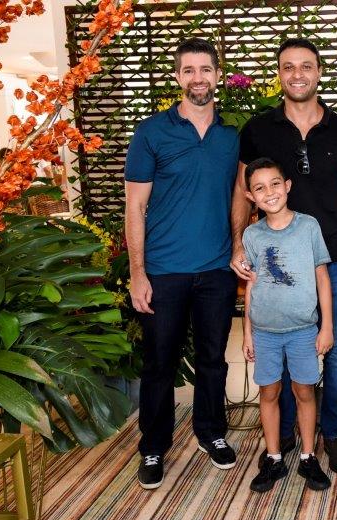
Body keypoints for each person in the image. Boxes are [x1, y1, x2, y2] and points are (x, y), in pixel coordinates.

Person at [231, 38, 337, 474]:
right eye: (288, 66)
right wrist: (238, 244)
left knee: (334, 349)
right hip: (275, 258)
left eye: (306, 66)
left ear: (319, 72)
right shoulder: (258, 130)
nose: (297, 74)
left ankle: (333, 435)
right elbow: (241, 192)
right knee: (284, 349)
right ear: (279, 74)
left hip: (333, 259)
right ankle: (285, 434)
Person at [124, 37, 240, 490]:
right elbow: (135, 207)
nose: (198, 78)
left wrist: (237, 247)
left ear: (218, 75)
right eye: (188, 70)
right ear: (177, 77)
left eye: (205, 69)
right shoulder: (151, 132)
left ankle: (211, 432)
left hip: (216, 270)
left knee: (213, 360)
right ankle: (153, 446)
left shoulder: (231, 136)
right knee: (159, 364)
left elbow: (240, 195)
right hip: (163, 271)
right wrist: (137, 273)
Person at [241, 157, 333, 493]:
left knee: (304, 391)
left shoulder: (308, 227)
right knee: (269, 392)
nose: (269, 192)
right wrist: (247, 332)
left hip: (303, 330)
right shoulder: (252, 235)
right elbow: (251, 285)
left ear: (288, 185)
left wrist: (327, 326)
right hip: (264, 332)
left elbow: (322, 278)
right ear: (250, 196)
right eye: (260, 188)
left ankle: (308, 456)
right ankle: (274, 457)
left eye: (275, 184)